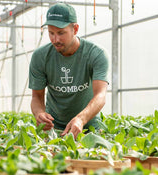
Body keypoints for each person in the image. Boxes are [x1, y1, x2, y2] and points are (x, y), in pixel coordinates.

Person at [29, 3, 109, 139]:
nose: (56, 39)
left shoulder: (96, 54)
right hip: (53, 129)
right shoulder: (40, 57)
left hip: (88, 127)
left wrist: (81, 119)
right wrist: (39, 114)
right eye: (51, 33)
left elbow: (100, 95)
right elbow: (36, 97)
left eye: (61, 33)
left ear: (75, 29)